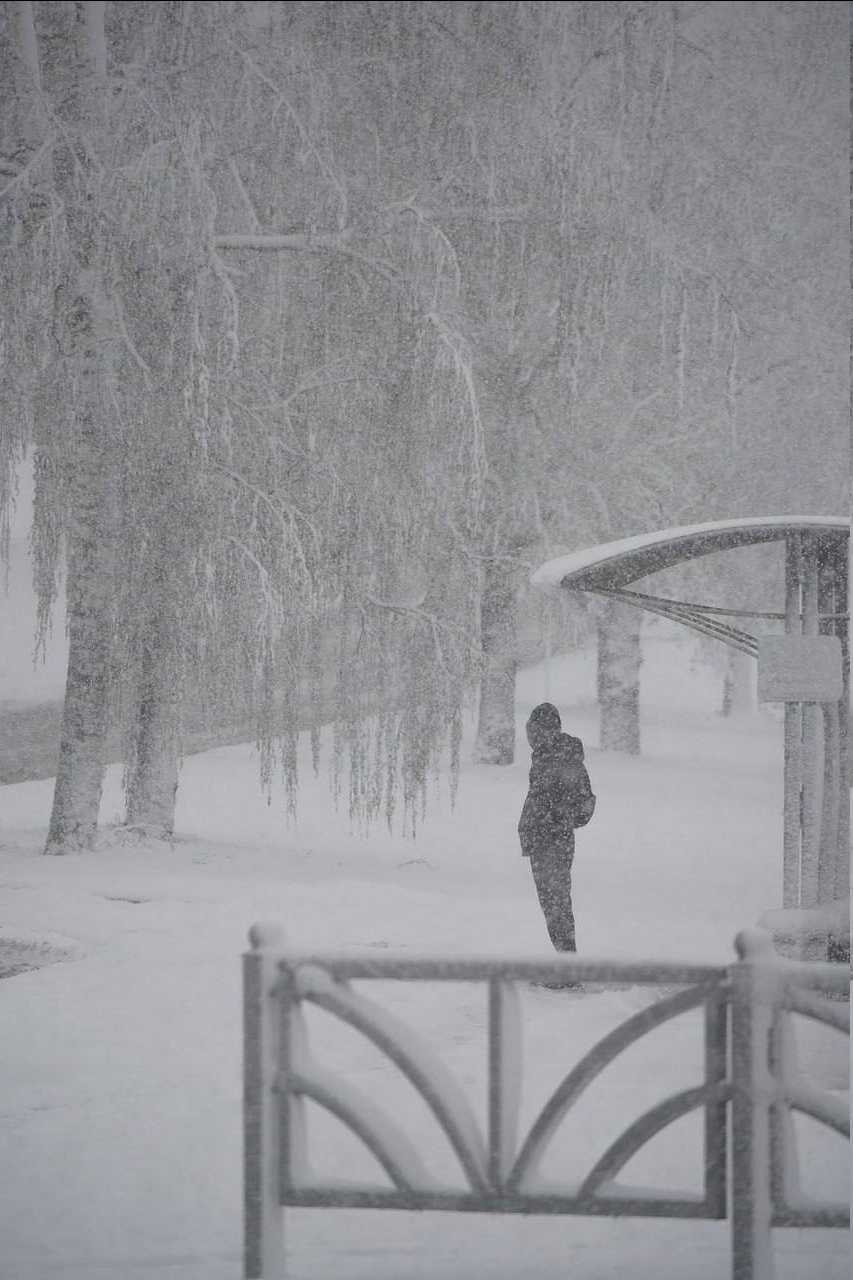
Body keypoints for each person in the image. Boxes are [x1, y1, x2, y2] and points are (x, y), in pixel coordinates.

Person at [518, 703, 595, 962]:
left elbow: (585, 804)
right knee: (554, 903)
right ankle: (565, 963)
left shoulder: (560, 757)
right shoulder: (546, 756)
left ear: (544, 730)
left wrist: (552, 820)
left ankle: (567, 966)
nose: (529, 736)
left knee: (556, 903)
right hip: (545, 841)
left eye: (533, 730)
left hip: (552, 842)